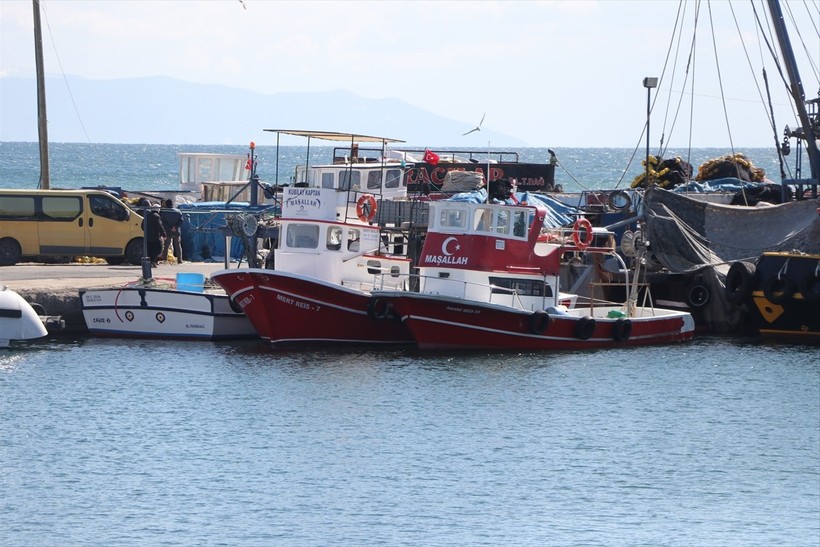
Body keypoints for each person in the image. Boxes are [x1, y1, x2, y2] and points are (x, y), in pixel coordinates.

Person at [139, 198, 166, 267]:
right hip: (155, 237)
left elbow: (142, 226)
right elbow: (159, 226)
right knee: (158, 249)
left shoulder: (147, 215)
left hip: (147, 237)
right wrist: (164, 234)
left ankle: (150, 263)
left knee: (150, 251)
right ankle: (151, 262)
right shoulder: (156, 216)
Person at [159, 198, 184, 264]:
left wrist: (170, 227)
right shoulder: (178, 211)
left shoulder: (164, 212)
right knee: (178, 245)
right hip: (176, 231)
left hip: (168, 231)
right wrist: (175, 227)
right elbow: (181, 220)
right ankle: (180, 260)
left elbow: (162, 222)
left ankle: (165, 260)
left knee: (166, 245)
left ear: (166, 204)